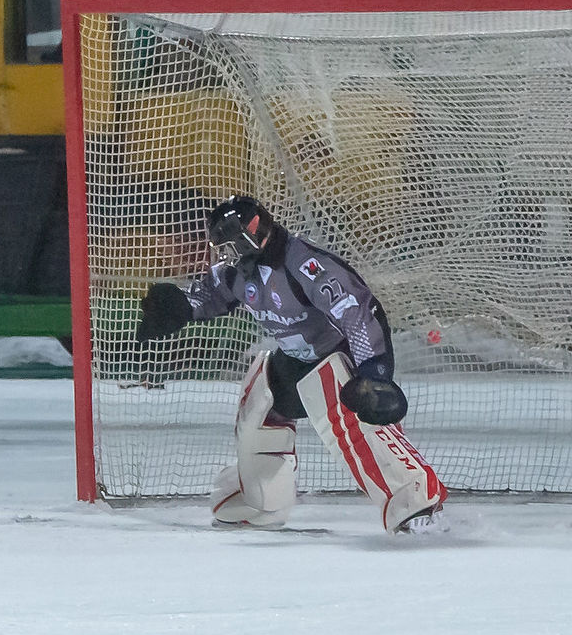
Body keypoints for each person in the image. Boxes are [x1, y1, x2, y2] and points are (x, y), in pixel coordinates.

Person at [135, 195, 446, 534]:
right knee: (258, 400)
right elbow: (212, 293)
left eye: (230, 245)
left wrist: (374, 371)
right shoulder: (241, 271)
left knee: (350, 418)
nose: (226, 255)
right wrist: (179, 306)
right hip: (296, 360)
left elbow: (357, 313)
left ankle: (416, 500)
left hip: (337, 359)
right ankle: (260, 503)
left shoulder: (305, 264)